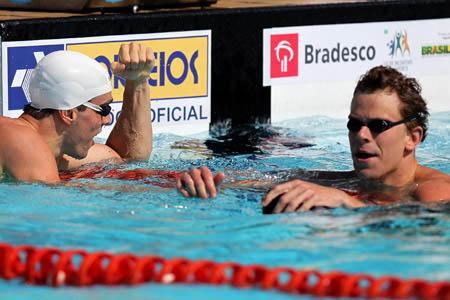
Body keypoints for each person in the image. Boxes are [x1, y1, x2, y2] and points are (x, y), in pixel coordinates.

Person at [176, 66, 450, 211]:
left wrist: (346, 202)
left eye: (378, 125)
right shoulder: (343, 182)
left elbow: (422, 225)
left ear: (412, 138)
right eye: (354, 124)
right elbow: (257, 182)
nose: (362, 136)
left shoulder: (433, 190)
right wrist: (208, 183)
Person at [0, 43, 155, 183]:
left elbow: (128, 158)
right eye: (103, 109)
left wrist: (138, 82)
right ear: (68, 113)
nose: (107, 119)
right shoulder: (23, 141)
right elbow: (50, 209)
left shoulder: (58, 154)